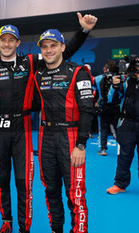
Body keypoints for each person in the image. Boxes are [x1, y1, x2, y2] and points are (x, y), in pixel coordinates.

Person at [0, 12, 98, 233]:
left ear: (17, 43)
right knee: (34, 185)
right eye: (2, 40)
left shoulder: (33, 63)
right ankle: (11, 222)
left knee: (64, 190)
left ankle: (30, 228)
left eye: (11, 40)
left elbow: (64, 54)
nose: (7, 44)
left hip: (42, 131)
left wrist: (83, 32)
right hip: (9, 130)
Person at [33, 29, 94, 233]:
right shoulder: (38, 73)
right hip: (45, 138)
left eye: (53, 45)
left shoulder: (78, 72)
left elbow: (87, 110)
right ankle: (56, 230)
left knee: (75, 193)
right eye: (45, 46)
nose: (49, 50)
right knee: (51, 191)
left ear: (63, 47)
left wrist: (81, 144)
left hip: (71, 138)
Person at [107, 56, 139, 194]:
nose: (136, 70)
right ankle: (120, 184)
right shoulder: (125, 82)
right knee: (124, 156)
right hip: (127, 123)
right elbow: (110, 100)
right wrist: (114, 86)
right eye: (135, 67)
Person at [94, 60, 124, 156]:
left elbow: (97, 92)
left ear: (106, 68)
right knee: (117, 128)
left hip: (104, 107)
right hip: (116, 107)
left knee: (103, 128)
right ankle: (121, 149)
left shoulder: (98, 78)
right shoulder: (121, 78)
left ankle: (103, 149)